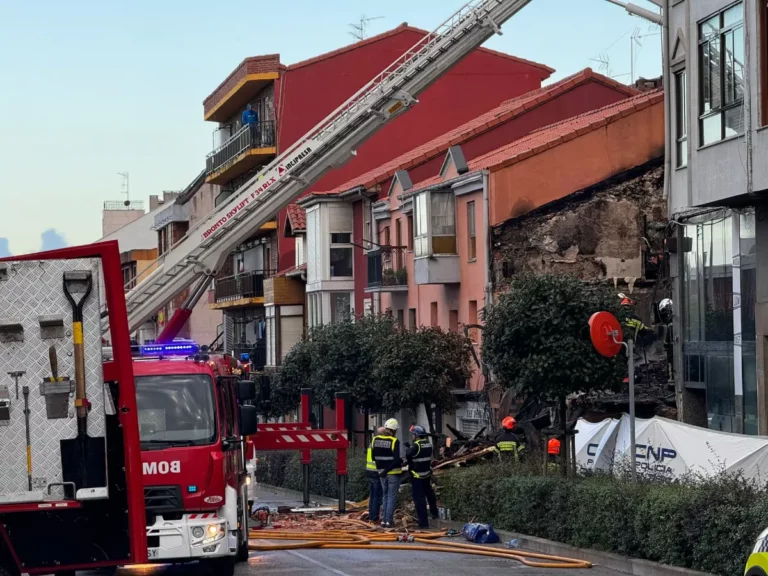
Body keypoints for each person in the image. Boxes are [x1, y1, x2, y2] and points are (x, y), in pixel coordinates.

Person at [406, 425, 439, 528]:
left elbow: (408, 454)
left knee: (419, 499)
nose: (412, 437)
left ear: (416, 435)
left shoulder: (416, 445)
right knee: (430, 494)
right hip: (426, 474)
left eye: (413, 435)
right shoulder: (428, 444)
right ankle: (434, 513)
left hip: (417, 476)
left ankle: (423, 523)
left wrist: (410, 464)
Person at [371, 418, 402, 528]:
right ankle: (388, 520)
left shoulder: (375, 440)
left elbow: (373, 457)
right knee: (391, 497)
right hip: (393, 473)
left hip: (381, 473)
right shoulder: (394, 441)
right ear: (394, 430)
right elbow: (397, 460)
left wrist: (383, 470)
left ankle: (383, 520)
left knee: (384, 496)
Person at [365, 427, 386, 523]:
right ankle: (374, 517)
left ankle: (371, 516)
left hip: (369, 471)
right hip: (376, 472)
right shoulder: (379, 443)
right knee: (377, 496)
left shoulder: (372, 441)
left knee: (373, 496)